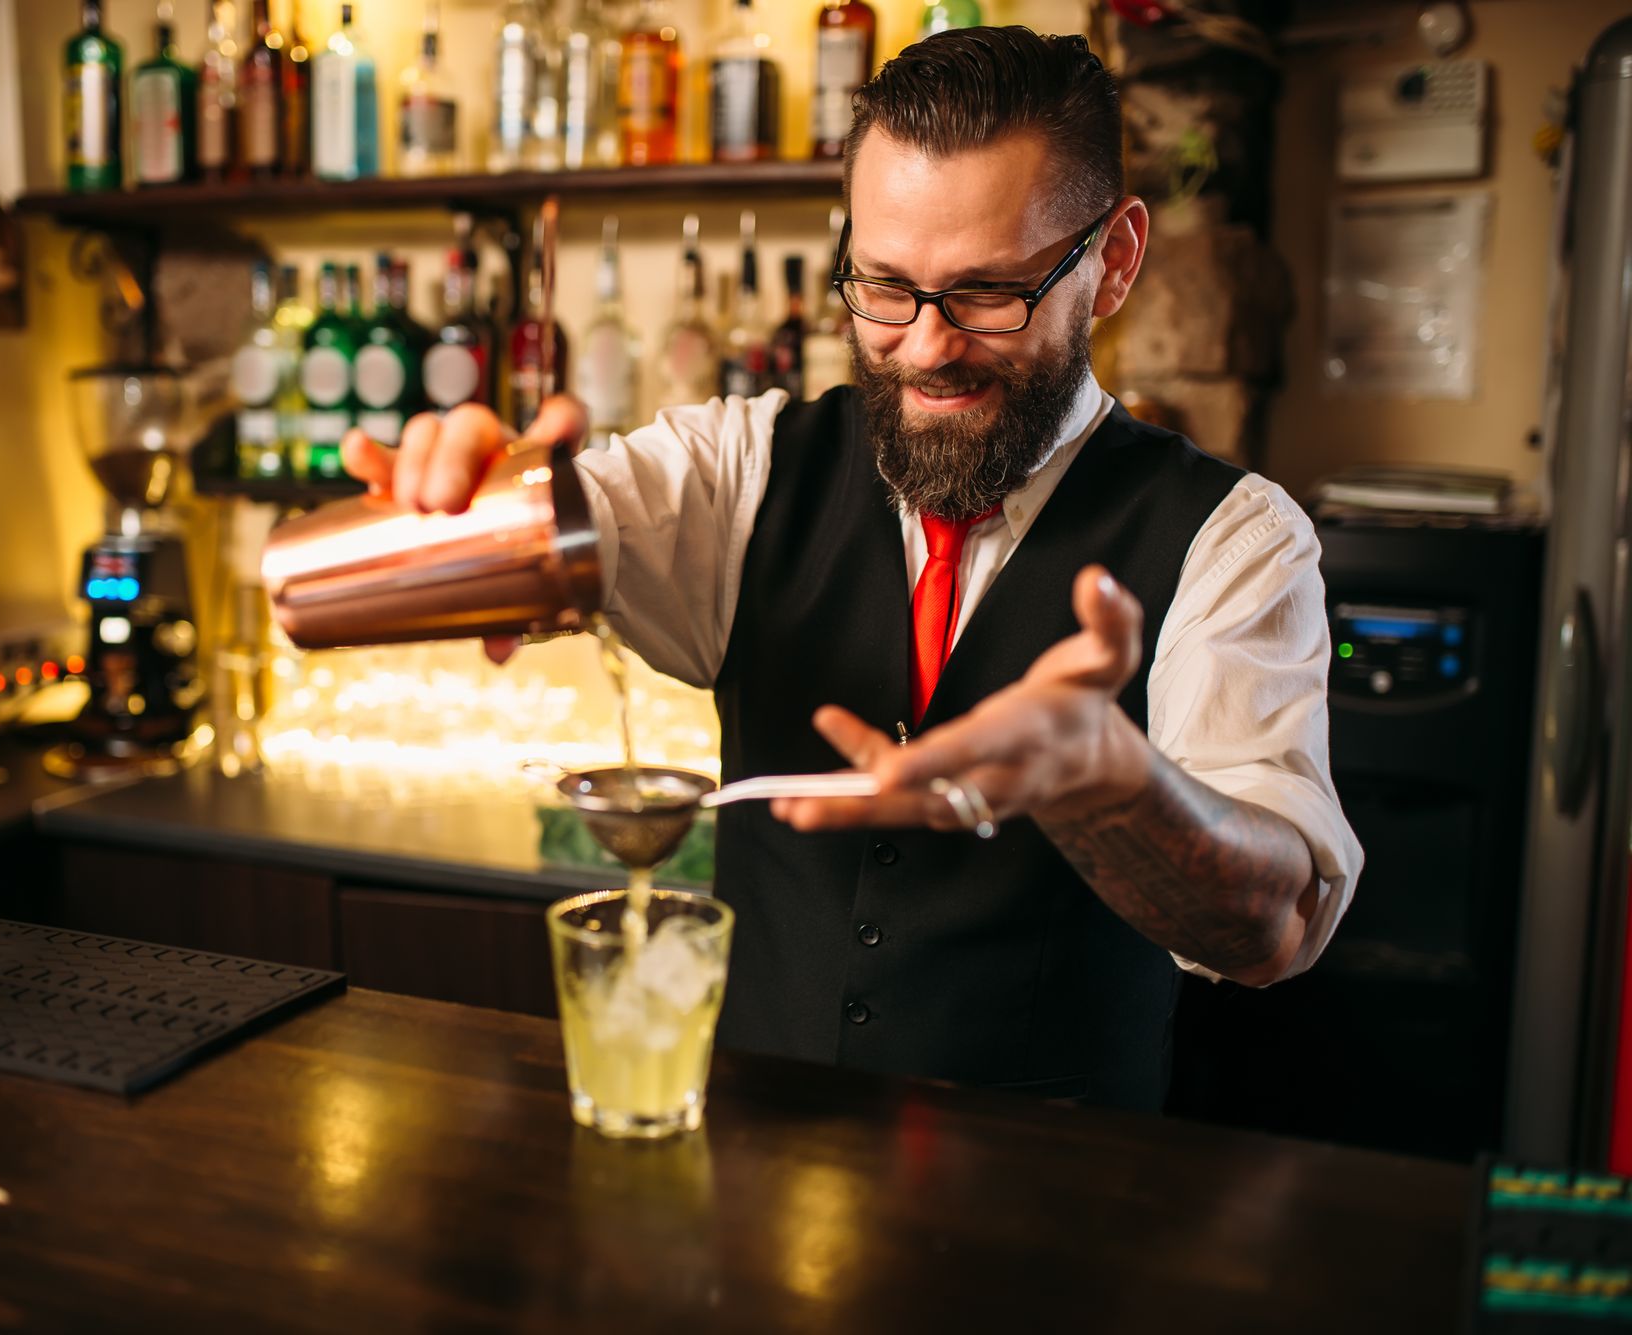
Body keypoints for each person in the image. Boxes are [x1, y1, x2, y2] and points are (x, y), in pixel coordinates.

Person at [343, 25, 1360, 1112]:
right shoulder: (741, 469)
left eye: (985, 294)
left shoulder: (1231, 539)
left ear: (1109, 263)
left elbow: (1272, 929)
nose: (924, 345)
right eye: (882, 288)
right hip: (750, 1194)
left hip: (1059, 1224)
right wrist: (460, 507)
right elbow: (547, 526)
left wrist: (1113, 784)